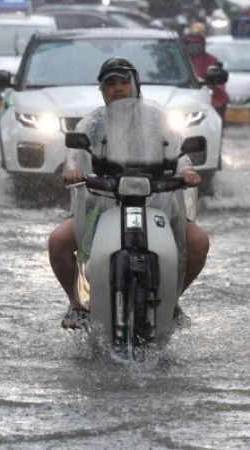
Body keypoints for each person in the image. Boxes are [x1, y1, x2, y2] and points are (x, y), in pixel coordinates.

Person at [49, 57, 210, 329]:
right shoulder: (92, 123)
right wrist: (73, 171)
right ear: (102, 90)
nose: (118, 88)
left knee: (199, 242)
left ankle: (171, 302)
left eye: (124, 82)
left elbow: (179, 153)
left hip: (157, 203)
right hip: (102, 205)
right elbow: (75, 154)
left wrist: (187, 172)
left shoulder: (158, 119)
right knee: (57, 242)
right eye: (110, 83)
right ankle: (77, 305)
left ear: (135, 85)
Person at [183, 31, 230, 118]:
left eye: (197, 43)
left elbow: (217, 80)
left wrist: (210, 85)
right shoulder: (179, 60)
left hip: (209, 95)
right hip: (183, 94)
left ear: (203, 45)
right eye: (190, 43)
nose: (194, 46)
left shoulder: (211, 60)